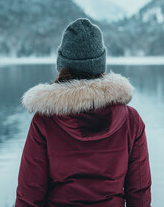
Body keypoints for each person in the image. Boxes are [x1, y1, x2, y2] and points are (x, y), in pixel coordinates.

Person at [15, 18, 152, 207]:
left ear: (63, 65)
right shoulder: (131, 120)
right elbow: (140, 195)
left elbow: (29, 196)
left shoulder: (45, 121)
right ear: (100, 64)